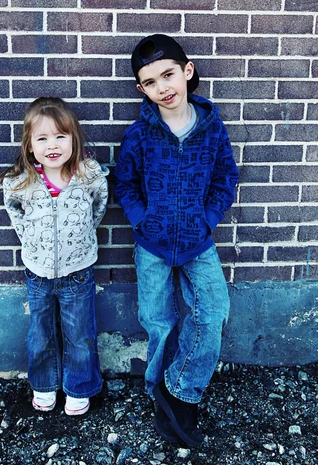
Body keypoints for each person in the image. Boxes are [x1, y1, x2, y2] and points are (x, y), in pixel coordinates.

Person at [114, 34, 238, 446]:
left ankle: (179, 389)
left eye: (168, 74)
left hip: (197, 241)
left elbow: (225, 178)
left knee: (213, 311)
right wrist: (141, 220)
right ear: (141, 89)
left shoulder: (211, 128)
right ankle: (158, 396)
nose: (162, 88)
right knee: (158, 321)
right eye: (150, 82)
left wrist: (208, 218)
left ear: (187, 72)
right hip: (152, 243)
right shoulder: (139, 134)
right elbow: (125, 184)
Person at [0, 97, 108, 416]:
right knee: (41, 334)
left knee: (80, 335)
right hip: (38, 273)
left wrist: (82, 233)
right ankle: (44, 386)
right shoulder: (23, 183)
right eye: (42, 138)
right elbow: (15, 213)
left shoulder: (88, 177)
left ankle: (79, 387)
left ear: (74, 140)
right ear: (30, 146)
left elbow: (98, 207)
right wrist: (32, 241)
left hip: (78, 272)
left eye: (61, 136)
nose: (52, 145)